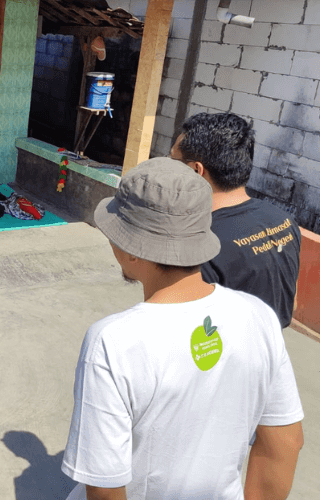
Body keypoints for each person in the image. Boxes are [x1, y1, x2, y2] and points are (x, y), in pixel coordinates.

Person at [62, 158, 304, 500]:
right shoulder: (258, 317)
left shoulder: (113, 341)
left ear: (131, 249)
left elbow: (104, 485)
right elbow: (286, 442)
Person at [170, 112, 301, 328]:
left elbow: (184, 332)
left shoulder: (199, 244)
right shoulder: (284, 221)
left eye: (173, 162)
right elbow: (291, 302)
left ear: (196, 170)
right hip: (273, 351)